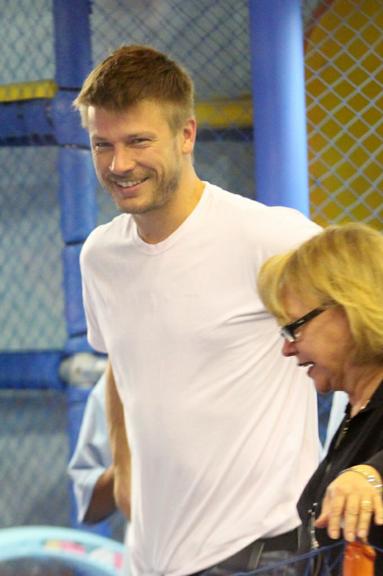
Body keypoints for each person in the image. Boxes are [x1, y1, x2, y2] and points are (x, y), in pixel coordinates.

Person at [74, 44, 322, 576]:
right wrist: (122, 466)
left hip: (266, 554)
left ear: (187, 135)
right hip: (156, 559)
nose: (119, 165)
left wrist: (368, 468)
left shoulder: (268, 236)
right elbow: (122, 362)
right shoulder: (100, 256)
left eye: (139, 141)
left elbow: (368, 321)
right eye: (102, 145)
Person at [257, 222, 383, 572]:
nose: (287, 348)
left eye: (295, 327)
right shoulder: (354, 411)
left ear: (349, 310)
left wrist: (372, 475)